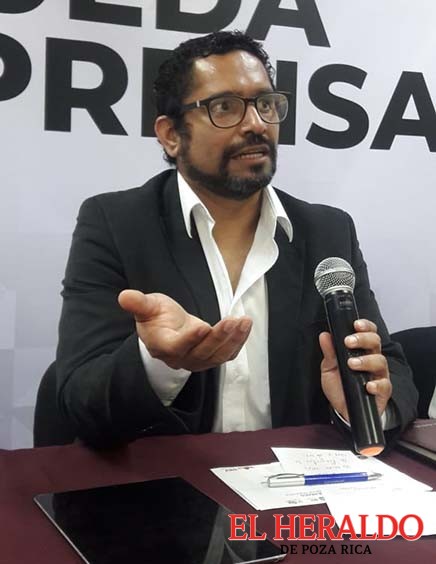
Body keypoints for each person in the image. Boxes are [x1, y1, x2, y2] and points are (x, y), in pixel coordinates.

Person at [56, 31, 417, 448]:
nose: (256, 124)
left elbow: (390, 366)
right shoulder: (116, 224)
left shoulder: (327, 231)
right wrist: (159, 362)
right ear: (171, 134)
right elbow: (79, 399)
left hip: (298, 478)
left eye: (266, 104)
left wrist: (364, 404)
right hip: (173, 482)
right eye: (225, 107)